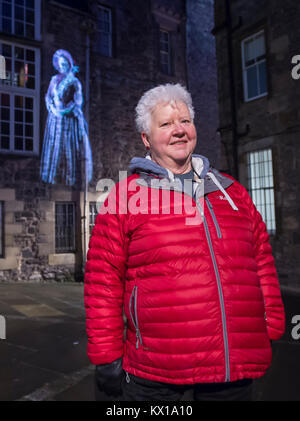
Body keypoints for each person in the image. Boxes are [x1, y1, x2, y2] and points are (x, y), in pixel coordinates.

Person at [84, 83, 285, 401]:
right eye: (165, 124)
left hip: (230, 373)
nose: (178, 130)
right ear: (146, 139)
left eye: (185, 121)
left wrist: (270, 326)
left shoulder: (232, 193)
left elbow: (261, 260)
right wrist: (106, 357)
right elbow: (102, 283)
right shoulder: (125, 198)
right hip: (157, 376)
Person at [40, 49, 93, 186]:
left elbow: (77, 102)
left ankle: (70, 178)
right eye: (60, 64)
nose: (62, 66)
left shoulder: (74, 82)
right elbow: (48, 96)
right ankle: (50, 176)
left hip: (69, 121)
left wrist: (64, 111)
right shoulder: (54, 80)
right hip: (55, 119)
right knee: (53, 145)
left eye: (65, 64)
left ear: (69, 64)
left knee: (69, 148)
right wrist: (51, 108)